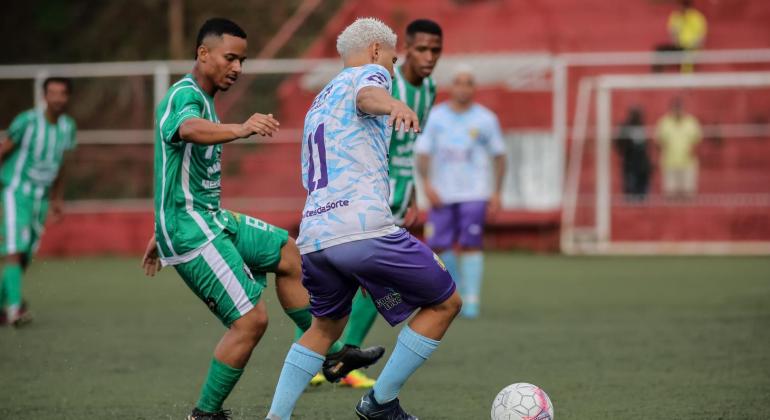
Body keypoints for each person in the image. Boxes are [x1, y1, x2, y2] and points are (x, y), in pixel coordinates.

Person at [140, 18, 383, 420]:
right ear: (203, 54)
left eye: (243, 60)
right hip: (189, 228)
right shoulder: (184, 96)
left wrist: (158, 223)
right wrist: (240, 128)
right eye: (230, 57)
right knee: (251, 321)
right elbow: (185, 130)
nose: (237, 67)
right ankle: (205, 414)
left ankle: (333, 355)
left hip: (206, 218)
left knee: (288, 253)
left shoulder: (204, 97)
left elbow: (176, 166)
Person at [264, 17, 461, 420]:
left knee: (325, 328)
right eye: (391, 59)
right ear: (375, 51)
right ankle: (380, 403)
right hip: (361, 229)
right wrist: (393, 103)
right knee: (445, 303)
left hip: (315, 237)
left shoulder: (320, 98)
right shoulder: (371, 74)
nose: (392, 68)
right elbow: (369, 95)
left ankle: (275, 418)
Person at [312, 17, 444, 390]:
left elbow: (411, 142)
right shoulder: (384, 80)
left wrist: (414, 190)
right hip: (372, 191)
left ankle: (338, 358)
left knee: (372, 282)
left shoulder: (430, 88)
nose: (429, 57)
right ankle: (337, 356)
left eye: (436, 50)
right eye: (421, 49)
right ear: (404, 51)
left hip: (401, 191)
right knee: (366, 279)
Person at [415, 66, 507, 319]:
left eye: (468, 82)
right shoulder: (435, 117)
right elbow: (423, 153)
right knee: (439, 244)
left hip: (474, 193)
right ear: (451, 87)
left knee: (471, 244)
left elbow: (499, 156)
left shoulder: (486, 119)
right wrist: (426, 184)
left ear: (474, 88)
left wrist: (497, 192)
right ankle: (457, 292)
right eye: (458, 82)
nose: (463, 87)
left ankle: (473, 299)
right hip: (442, 193)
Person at [0, 77, 76, 327]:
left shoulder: (68, 127)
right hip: (16, 192)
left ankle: (4, 304)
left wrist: (57, 198)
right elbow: (4, 150)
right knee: (14, 249)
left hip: (41, 198)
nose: (56, 98)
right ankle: (14, 310)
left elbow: (62, 164)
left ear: (68, 97)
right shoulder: (27, 121)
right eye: (51, 93)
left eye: (61, 93)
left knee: (24, 254)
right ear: (44, 96)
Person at [655, 97, 702, 199]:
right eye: (675, 108)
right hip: (669, 163)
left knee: (688, 195)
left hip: (688, 163)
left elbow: (698, 141)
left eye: (679, 108)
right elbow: (658, 142)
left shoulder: (691, 122)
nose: (677, 110)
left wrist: (693, 151)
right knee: (670, 195)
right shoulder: (664, 123)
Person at [655, 0, 707, 72]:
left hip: (692, 47)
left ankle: (686, 78)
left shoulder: (697, 17)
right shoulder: (676, 16)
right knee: (660, 50)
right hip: (679, 46)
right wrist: (675, 37)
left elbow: (701, 36)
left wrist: (694, 44)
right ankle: (657, 77)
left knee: (687, 56)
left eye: (683, 6)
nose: (681, 8)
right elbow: (672, 33)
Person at [615, 107, 651, 201]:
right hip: (630, 163)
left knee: (642, 193)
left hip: (642, 164)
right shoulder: (625, 127)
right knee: (631, 192)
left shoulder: (642, 126)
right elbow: (618, 144)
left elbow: (647, 146)